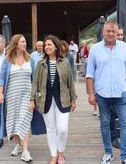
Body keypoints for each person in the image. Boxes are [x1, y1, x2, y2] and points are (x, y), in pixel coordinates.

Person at [86, 21, 126, 164]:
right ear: (103, 32)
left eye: (113, 31)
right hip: (102, 95)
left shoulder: (124, 47)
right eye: (108, 31)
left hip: (121, 94)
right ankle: (108, 153)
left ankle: (125, 157)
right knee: (105, 125)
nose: (111, 34)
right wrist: (90, 94)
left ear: (117, 33)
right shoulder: (95, 49)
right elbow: (90, 74)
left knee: (125, 124)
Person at [30, 35, 77, 164]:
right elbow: (35, 83)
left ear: (56, 46)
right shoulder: (40, 64)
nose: (46, 47)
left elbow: (70, 83)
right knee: (50, 129)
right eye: (45, 45)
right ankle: (54, 155)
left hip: (63, 99)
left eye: (49, 45)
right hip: (45, 100)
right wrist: (32, 99)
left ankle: (61, 151)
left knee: (62, 128)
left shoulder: (65, 63)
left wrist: (74, 99)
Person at [0, 34, 35, 162]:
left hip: (27, 96)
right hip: (11, 96)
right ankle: (18, 145)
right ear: (15, 44)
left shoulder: (30, 59)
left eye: (25, 41)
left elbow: (34, 80)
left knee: (25, 120)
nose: (25, 44)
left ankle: (25, 151)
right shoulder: (7, 60)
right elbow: (1, 77)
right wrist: (1, 93)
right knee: (13, 122)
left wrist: (33, 99)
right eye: (22, 42)